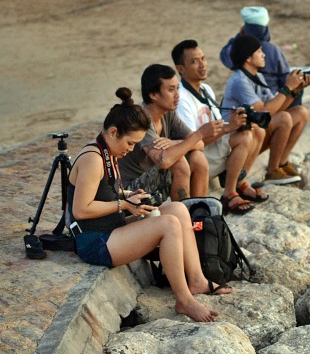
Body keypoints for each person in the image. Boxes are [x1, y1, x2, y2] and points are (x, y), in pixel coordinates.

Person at [67, 87, 232, 323]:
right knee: (168, 225)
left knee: (178, 210)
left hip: (109, 228)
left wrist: (130, 195)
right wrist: (124, 204)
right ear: (114, 132)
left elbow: (105, 189)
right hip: (95, 241)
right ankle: (183, 300)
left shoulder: (109, 151)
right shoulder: (94, 159)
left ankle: (196, 280)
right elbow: (80, 210)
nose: (132, 149)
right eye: (130, 143)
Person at [172, 39, 267, 214]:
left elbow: (218, 124)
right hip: (199, 158)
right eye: (194, 61)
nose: (202, 65)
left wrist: (234, 121)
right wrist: (228, 127)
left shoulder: (206, 88)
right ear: (181, 69)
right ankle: (229, 194)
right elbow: (191, 143)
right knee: (245, 137)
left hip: (212, 149)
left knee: (256, 130)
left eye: (203, 58)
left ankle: (239, 182)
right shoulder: (182, 99)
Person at [119, 64, 220, 202]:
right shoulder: (140, 118)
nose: (177, 95)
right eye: (171, 89)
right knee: (179, 162)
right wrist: (199, 133)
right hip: (129, 190)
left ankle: (198, 214)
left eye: (178, 88)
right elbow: (164, 161)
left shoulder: (168, 114)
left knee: (198, 158)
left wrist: (174, 142)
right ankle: (184, 216)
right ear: (153, 94)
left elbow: (200, 145)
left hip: (153, 178)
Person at [222, 35, 310, 185]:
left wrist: (295, 91)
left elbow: (277, 108)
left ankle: (282, 163)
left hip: (256, 132)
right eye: (259, 51)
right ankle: (272, 171)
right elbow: (262, 112)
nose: (264, 55)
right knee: (284, 118)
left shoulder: (257, 76)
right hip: (238, 140)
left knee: (300, 113)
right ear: (248, 58)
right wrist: (287, 87)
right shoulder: (239, 81)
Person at [220, 7, 296, 102]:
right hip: (263, 102)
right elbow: (284, 78)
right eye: (259, 52)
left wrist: (239, 36)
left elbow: (224, 56)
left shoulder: (236, 49)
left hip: (267, 100)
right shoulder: (273, 50)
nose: (263, 55)